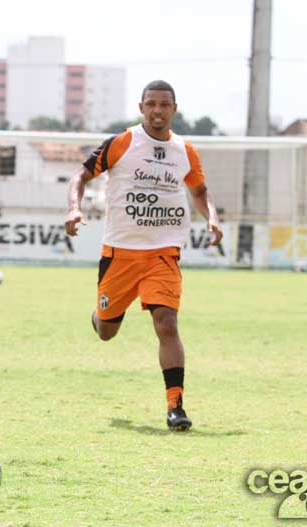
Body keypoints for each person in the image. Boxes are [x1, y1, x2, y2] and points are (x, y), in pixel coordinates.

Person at [65, 80, 222, 432]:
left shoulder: (185, 151)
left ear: (174, 109)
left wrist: (211, 215)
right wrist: (75, 209)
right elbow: (80, 174)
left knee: (166, 322)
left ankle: (175, 406)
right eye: (151, 104)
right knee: (107, 331)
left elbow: (199, 191)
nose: (157, 110)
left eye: (164, 104)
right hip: (120, 254)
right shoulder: (124, 143)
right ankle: (100, 315)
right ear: (141, 107)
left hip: (163, 253)